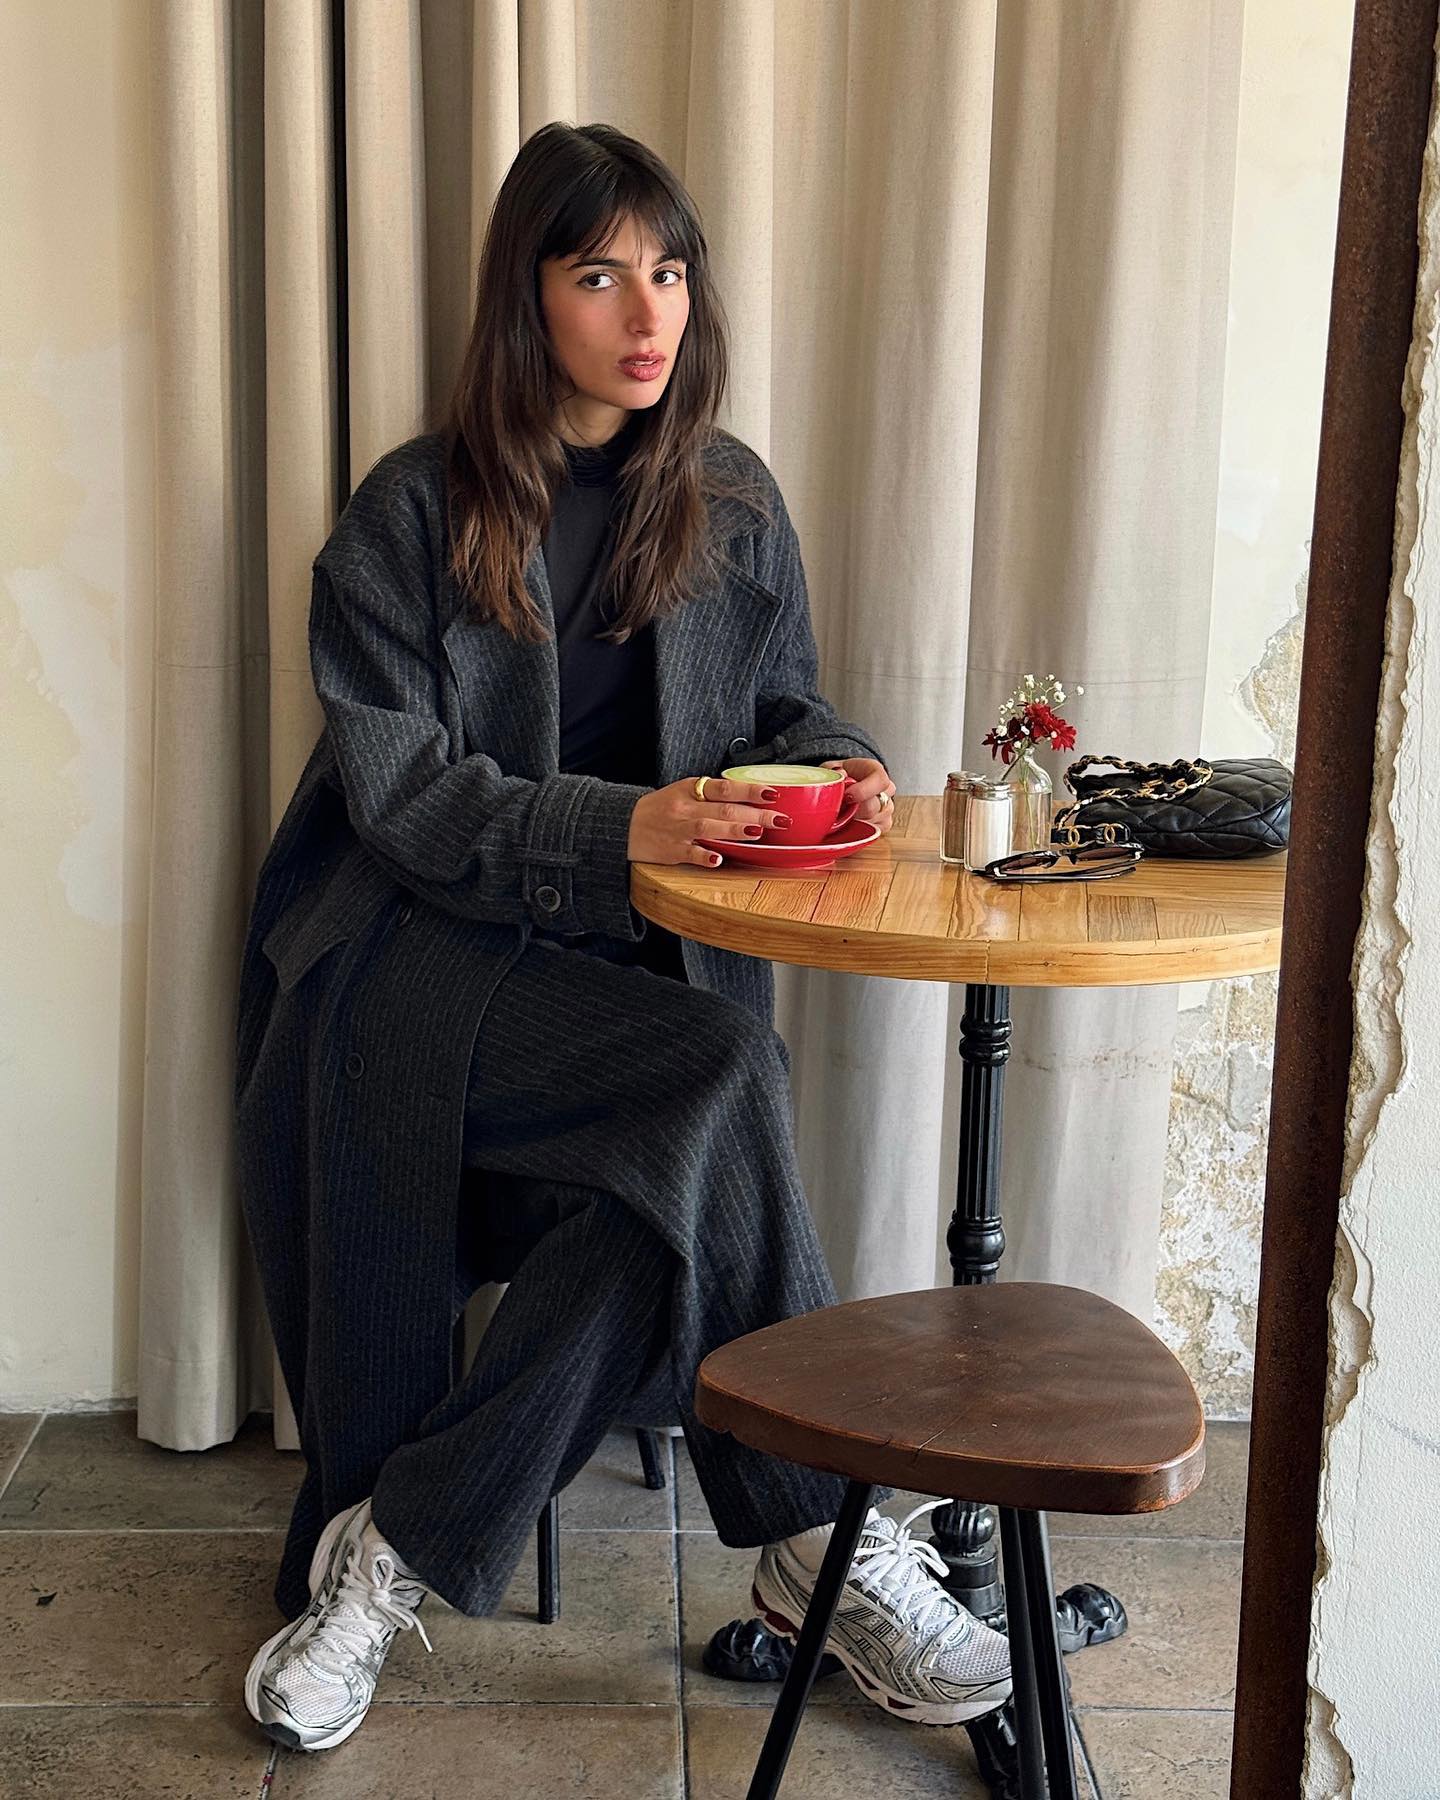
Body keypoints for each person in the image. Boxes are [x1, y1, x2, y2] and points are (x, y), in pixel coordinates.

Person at [236, 120, 1012, 1755]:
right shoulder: (406, 512)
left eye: (667, 270)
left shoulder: (726, 497)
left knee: (655, 1190)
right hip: (414, 969)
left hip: (620, 980)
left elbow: (782, 703)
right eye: (597, 274)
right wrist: (624, 830)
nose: (644, 311)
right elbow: (408, 799)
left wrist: (846, 764)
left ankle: (384, 1559)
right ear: (528, 299)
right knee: (729, 1066)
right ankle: (818, 1534)